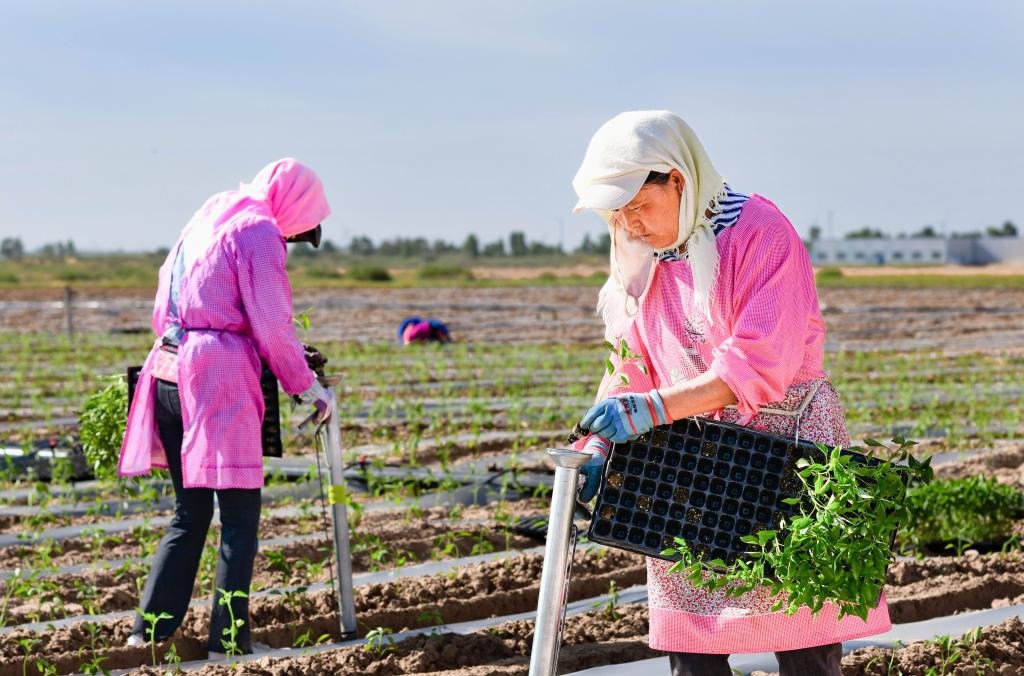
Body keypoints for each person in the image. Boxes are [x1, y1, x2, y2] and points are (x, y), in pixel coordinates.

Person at [570, 112, 889, 676]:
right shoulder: (641, 264)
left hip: (783, 452)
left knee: (802, 626)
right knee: (693, 645)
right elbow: (630, 365)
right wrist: (597, 443)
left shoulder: (759, 233)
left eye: (639, 208)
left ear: (678, 179)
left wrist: (654, 408)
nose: (631, 226)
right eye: (617, 216)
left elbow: (760, 361)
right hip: (691, 464)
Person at [117, 158, 334, 655]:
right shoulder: (259, 230)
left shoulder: (215, 212)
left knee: (188, 513)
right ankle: (229, 643)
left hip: (168, 365)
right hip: (215, 377)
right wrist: (307, 388)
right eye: (299, 231)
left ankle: (146, 632)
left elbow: (198, 295)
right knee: (238, 515)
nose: (294, 240)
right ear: (293, 206)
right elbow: (273, 326)